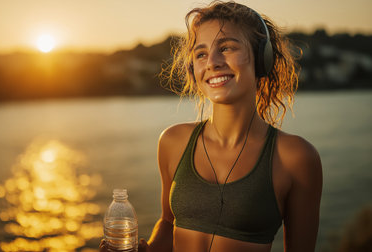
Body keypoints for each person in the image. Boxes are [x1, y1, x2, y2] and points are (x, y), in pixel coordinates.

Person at [100, 1, 322, 251]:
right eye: (201, 54)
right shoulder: (173, 142)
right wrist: (146, 249)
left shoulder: (296, 157)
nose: (212, 62)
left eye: (226, 47)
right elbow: (168, 223)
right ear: (192, 69)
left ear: (263, 58)